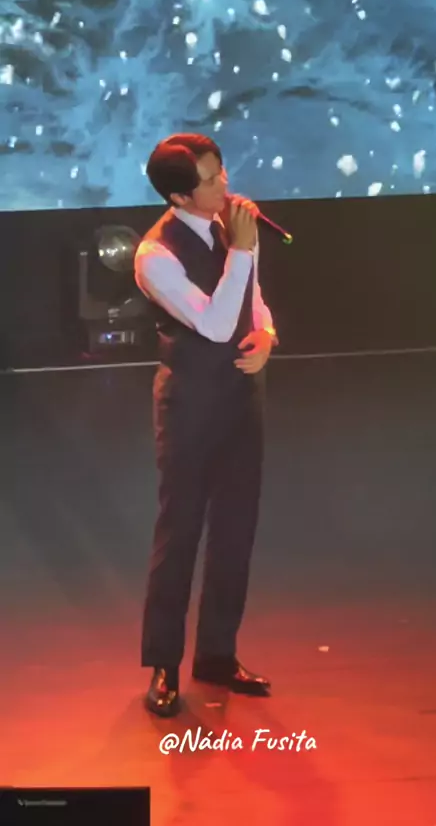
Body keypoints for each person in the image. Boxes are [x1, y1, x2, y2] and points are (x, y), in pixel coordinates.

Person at [134, 133, 278, 717]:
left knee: (236, 528)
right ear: (179, 195)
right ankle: (163, 664)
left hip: (241, 397)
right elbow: (215, 325)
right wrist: (242, 250)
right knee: (181, 530)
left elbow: (252, 301)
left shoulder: (229, 228)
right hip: (190, 402)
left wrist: (267, 335)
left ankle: (218, 653)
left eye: (221, 172)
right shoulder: (155, 256)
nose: (225, 185)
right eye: (211, 179)